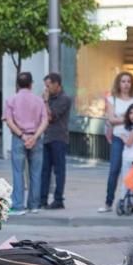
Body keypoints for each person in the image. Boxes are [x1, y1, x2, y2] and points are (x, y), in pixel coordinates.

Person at [4, 72, 48, 215]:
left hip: (18, 138)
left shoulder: (11, 100)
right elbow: (45, 121)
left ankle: (18, 206)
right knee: (35, 173)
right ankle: (34, 205)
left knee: (18, 172)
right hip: (35, 138)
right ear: (31, 84)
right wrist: (35, 137)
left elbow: (9, 121)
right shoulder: (39, 100)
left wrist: (22, 135)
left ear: (17, 84)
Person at [100, 72, 133, 212]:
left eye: (128, 81)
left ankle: (131, 201)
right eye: (123, 81)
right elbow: (111, 119)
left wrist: (121, 117)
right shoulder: (112, 99)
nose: (126, 84)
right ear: (118, 83)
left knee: (132, 171)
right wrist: (129, 118)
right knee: (114, 169)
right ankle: (108, 202)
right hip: (118, 138)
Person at [41, 72, 72, 210]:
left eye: (48, 86)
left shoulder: (64, 98)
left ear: (56, 84)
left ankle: (58, 199)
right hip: (47, 137)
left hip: (59, 138)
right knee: (45, 170)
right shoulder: (49, 98)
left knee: (59, 170)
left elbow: (51, 116)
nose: (46, 89)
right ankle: (42, 199)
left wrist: (46, 101)